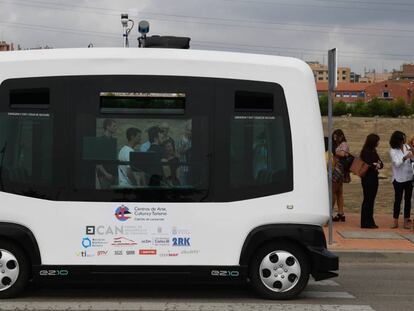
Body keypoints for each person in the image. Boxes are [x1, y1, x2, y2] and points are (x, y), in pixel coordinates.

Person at [389, 131, 413, 229]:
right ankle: (395, 220)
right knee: (398, 200)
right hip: (398, 178)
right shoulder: (393, 150)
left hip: (409, 177)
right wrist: (405, 157)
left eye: (404, 138)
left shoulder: (407, 147)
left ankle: (406, 220)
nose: (404, 140)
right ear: (397, 140)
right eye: (402, 139)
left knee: (408, 200)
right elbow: (397, 163)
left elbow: (412, 159)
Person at [360, 134, 383, 229]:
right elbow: (367, 164)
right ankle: (365, 222)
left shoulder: (374, 151)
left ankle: (370, 220)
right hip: (367, 178)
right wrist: (375, 165)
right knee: (367, 199)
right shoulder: (365, 151)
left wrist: (378, 165)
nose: (378, 143)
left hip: (373, 177)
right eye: (377, 141)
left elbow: (381, 163)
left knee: (371, 200)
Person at [332, 129, 351, 222]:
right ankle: (341, 213)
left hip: (339, 169)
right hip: (341, 170)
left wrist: (335, 152)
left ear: (341, 136)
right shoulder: (341, 144)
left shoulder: (343, 144)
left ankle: (329, 212)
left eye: (336, 136)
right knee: (339, 193)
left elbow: (343, 153)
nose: (335, 139)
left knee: (332, 191)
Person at [96, 119, 117, 189]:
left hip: (113, 174)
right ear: (108, 127)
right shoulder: (100, 141)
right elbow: (98, 161)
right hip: (104, 176)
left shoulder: (112, 140)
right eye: (114, 126)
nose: (115, 128)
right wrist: (106, 174)